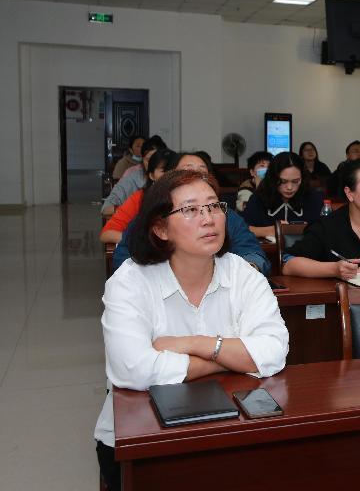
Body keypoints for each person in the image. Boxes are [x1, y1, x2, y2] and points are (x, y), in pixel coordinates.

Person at [94, 169, 289, 491]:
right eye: (190, 210)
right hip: (142, 441)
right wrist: (230, 358)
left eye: (213, 206)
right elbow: (134, 369)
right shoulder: (130, 281)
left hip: (231, 431)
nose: (208, 218)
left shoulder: (243, 273)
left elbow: (274, 350)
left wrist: (195, 344)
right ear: (160, 228)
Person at [111, 152, 271, 274]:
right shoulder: (152, 218)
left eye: (202, 172)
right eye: (187, 171)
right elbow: (123, 260)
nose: (208, 219)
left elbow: (254, 253)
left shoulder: (226, 216)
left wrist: (244, 274)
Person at [100, 149, 175, 244]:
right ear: (151, 175)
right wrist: (141, 243)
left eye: (175, 170)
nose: (171, 175)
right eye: (164, 171)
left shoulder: (187, 198)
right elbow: (107, 234)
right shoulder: (140, 198)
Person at [243, 151, 323, 237]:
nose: (289, 187)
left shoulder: (313, 198)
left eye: (295, 181)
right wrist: (273, 230)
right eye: (283, 181)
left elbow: (323, 229)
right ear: (273, 178)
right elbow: (243, 229)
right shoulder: (258, 198)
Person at [102, 135, 167, 216]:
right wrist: (129, 210)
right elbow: (106, 208)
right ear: (142, 159)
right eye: (148, 159)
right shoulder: (133, 176)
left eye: (156, 159)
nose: (152, 164)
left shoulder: (172, 175)